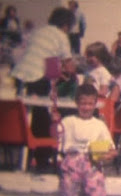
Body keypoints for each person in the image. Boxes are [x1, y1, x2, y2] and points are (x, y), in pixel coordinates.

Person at [55, 84, 117, 196]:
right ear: (76, 103)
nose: (87, 107)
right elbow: (56, 142)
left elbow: (112, 151)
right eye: (83, 103)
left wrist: (101, 155)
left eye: (90, 104)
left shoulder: (99, 125)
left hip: (92, 166)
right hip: (71, 164)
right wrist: (54, 121)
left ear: (96, 104)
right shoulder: (67, 122)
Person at [11, 7, 75, 170]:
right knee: (41, 116)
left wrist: (57, 75)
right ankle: (42, 158)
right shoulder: (61, 37)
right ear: (66, 25)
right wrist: (73, 76)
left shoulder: (39, 32)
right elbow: (68, 65)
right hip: (36, 76)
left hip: (20, 74)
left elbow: (46, 60)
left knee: (22, 114)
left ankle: (20, 154)